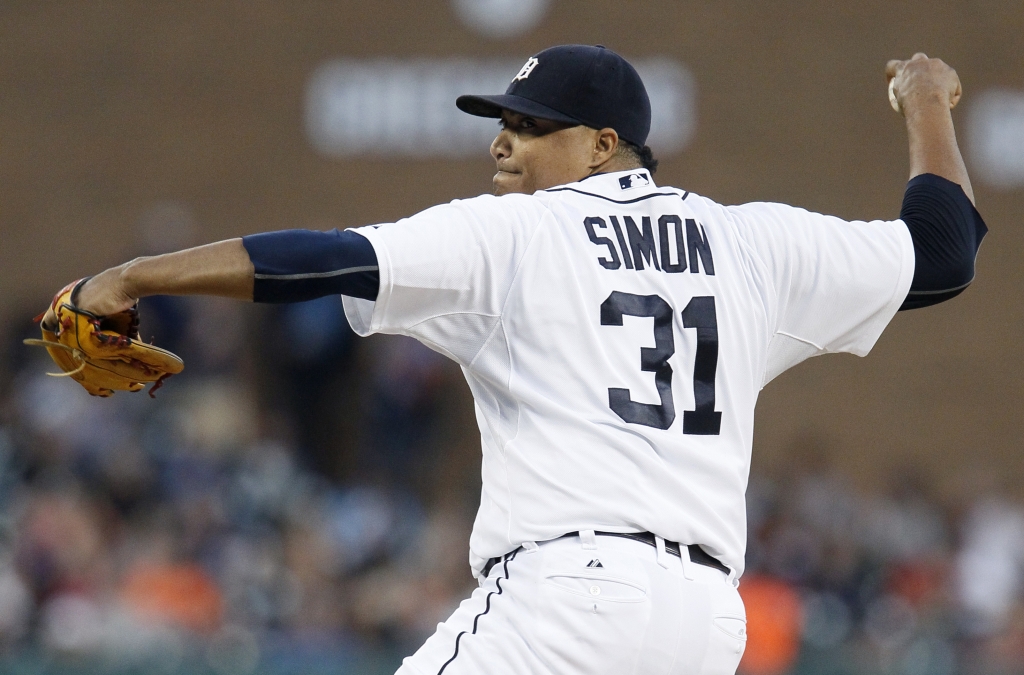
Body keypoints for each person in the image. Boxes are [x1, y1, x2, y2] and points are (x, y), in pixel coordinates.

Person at [42, 45, 985, 674]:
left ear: (605, 146)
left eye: (532, 125)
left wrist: (134, 274)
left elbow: (322, 257)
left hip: (570, 600)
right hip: (705, 623)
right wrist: (932, 103)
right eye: (507, 119)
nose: (503, 137)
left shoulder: (521, 232)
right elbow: (943, 252)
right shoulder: (751, 246)